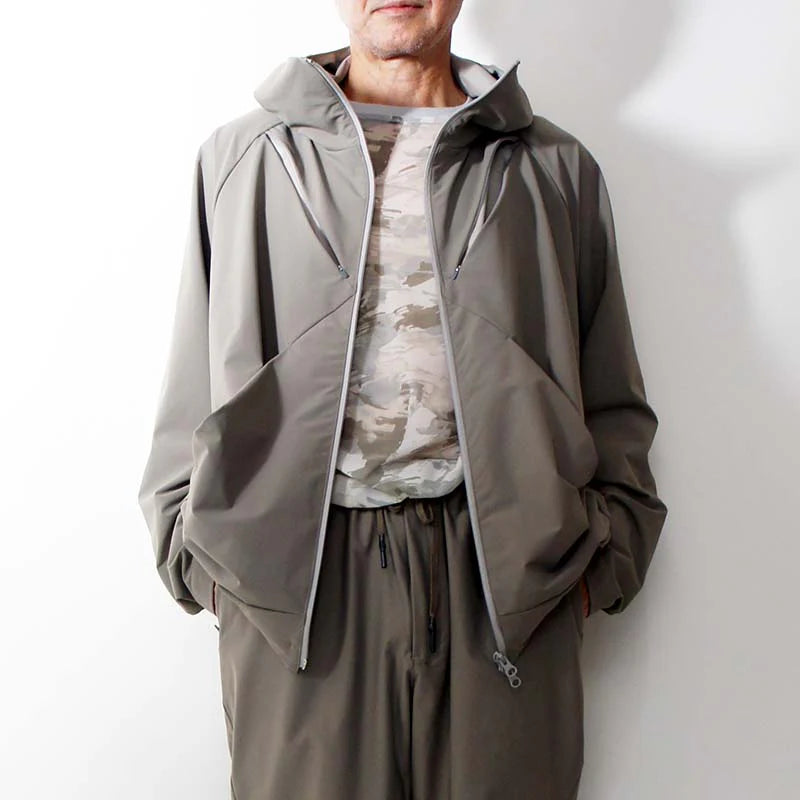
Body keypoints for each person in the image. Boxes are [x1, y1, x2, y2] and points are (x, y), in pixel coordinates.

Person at [136, 1, 668, 797]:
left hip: (507, 583)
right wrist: (200, 563)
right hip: (301, 592)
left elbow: (609, 386)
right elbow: (192, 381)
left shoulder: (553, 168)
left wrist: (600, 565)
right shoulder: (244, 159)